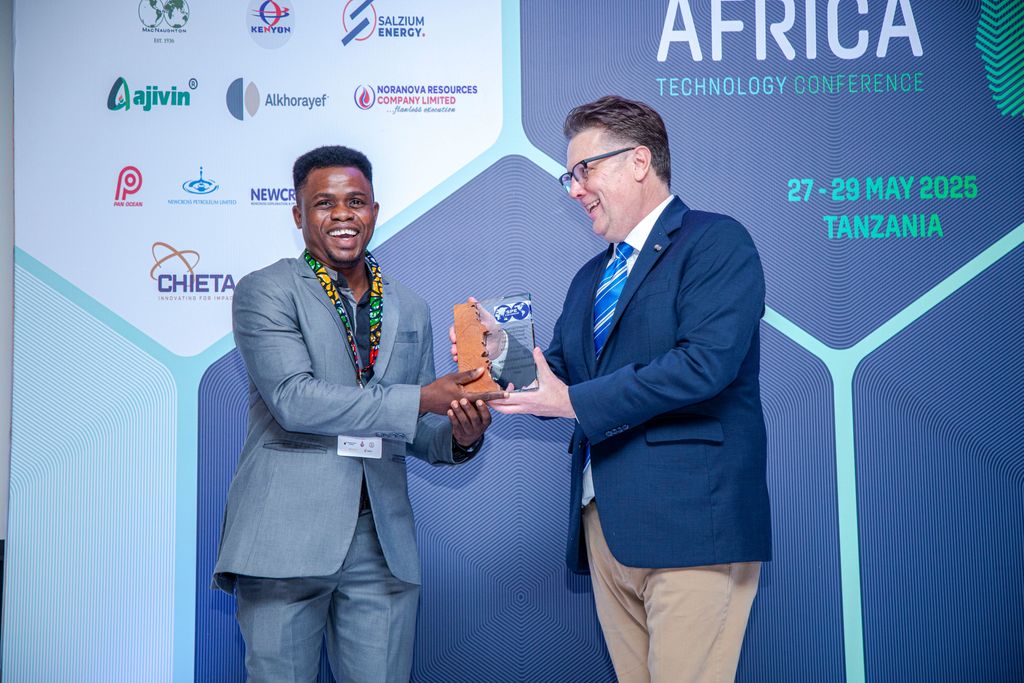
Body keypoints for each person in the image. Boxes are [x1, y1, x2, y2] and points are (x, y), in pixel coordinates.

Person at [481, 96, 772, 682]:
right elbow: (555, 379)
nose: (574, 189)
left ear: (639, 161)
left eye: (583, 170)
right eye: (570, 176)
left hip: (693, 528)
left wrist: (572, 401)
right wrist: (500, 354)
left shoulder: (716, 242)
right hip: (607, 530)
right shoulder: (590, 276)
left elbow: (704, 365)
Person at [212, 145, 501, 683]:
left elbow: (418, 430)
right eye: (324, 202)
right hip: (285, 539)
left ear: (374, 210)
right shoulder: (266, 291)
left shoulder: (409, 306)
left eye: (356, 201)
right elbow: (295, 399)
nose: (342, 214)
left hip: (381, 543)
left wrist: (461, 434)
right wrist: (422, 399)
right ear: (298, 214)